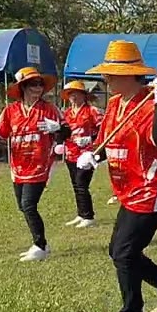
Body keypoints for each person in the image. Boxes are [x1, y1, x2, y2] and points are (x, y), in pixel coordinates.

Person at [78, 40, 157, 312]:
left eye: (112, 74)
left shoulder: (149, 101)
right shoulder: (115, 104)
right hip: (128, 188)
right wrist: (93, 156)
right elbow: (106, 143)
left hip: (153, 189)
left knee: (123, 252)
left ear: (132, 75)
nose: (107, 80)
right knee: (121, 252)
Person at [0, 67, 64, 261]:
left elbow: (65, 132)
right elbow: (0, 137)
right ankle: (41, 244)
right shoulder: (11, 111)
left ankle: (40, 245)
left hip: (40, 164)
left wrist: (58, 129)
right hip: (17, 166)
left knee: (28, 204)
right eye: (33, 84)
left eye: (40, 84)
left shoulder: (49, 109)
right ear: (23, 87)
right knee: (22, 205)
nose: (38, 87)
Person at [58, 80, 103, 229]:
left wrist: (91, 139)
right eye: (70, 94)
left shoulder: (92, 111)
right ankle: (81, 213)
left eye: (76, 93)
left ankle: (88, 216)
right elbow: (63, 132)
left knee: (82, 183)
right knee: (76, 185)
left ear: (84, 95)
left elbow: (104, 131)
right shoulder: (66, 114)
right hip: (71, 153)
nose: (73, 97)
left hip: (87, 155)